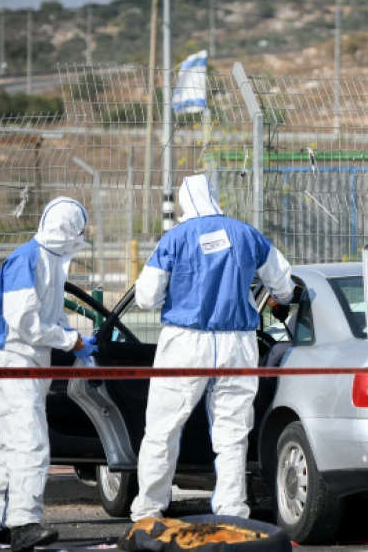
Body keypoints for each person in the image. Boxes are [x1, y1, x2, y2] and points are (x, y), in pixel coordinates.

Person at [130, 174, 294, 521]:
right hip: (238, 342)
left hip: (185, 342)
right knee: (233, 430)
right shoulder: (247, 234)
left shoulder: (174, 238)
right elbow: (283, 283)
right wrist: (282, 300)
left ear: (183, 205)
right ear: (215, 197)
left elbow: (145, 297)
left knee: (163, 429)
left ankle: (149, 508)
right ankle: (232, 508)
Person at [0, 197, 97, 550]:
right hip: (14, 358)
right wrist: (70, 341)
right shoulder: (28, 259)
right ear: (67, 230)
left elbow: (50, 315)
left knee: (14, 447)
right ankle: (24, 522)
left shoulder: (49, 260)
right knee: (31, 443)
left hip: (27, 359)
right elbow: (25, 321)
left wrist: (75, 341)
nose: (80, 239)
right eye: (78, 232)